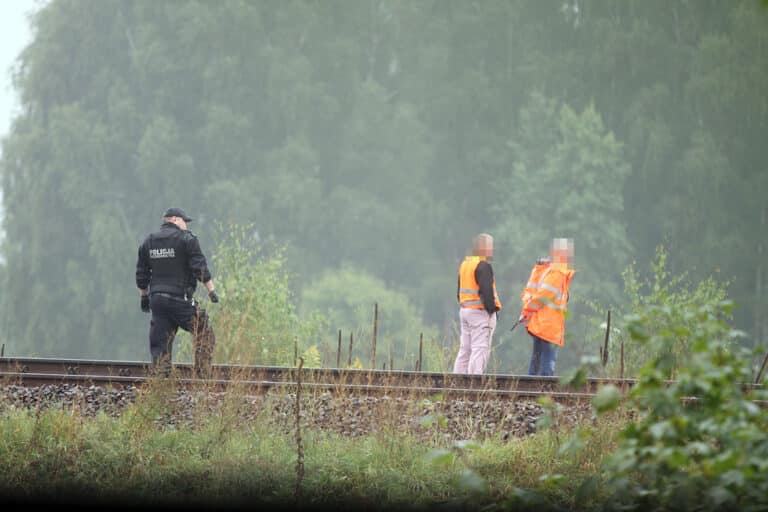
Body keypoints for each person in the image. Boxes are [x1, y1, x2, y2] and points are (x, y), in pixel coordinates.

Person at [135, 207, 219, 377]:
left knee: (160, 341)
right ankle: (202, 374)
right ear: (174, 219)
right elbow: (199, 268)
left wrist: (144, 297)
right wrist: (211, 291)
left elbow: (142, 273)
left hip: (157, 301)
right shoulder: (187, 239)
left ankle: (161, 379)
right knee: (203, 329)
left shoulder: (149, 241)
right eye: (184, 221)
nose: (186, 225)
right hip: (181, 300)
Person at [519, 238, 575, 376]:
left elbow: (531, 292)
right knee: (547, 363)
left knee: (537, 361)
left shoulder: (546, 271)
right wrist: (527, 311)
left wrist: (527, 311)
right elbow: (543, 296)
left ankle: (531, 392)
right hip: (550, 325)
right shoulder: (557, 272)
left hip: (539, 323)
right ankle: (544, 393)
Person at [453, 233, 502, 374]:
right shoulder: (483, 265)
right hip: (479, 313)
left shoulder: (465, 264)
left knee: (465, 349)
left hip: (464, 311)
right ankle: (475, 384)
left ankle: (456, 381)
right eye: (490, 247)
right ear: (483, 247)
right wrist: (491, 310)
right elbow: (486, 292)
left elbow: (459, 291)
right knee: (480, 348)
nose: (492, 251)